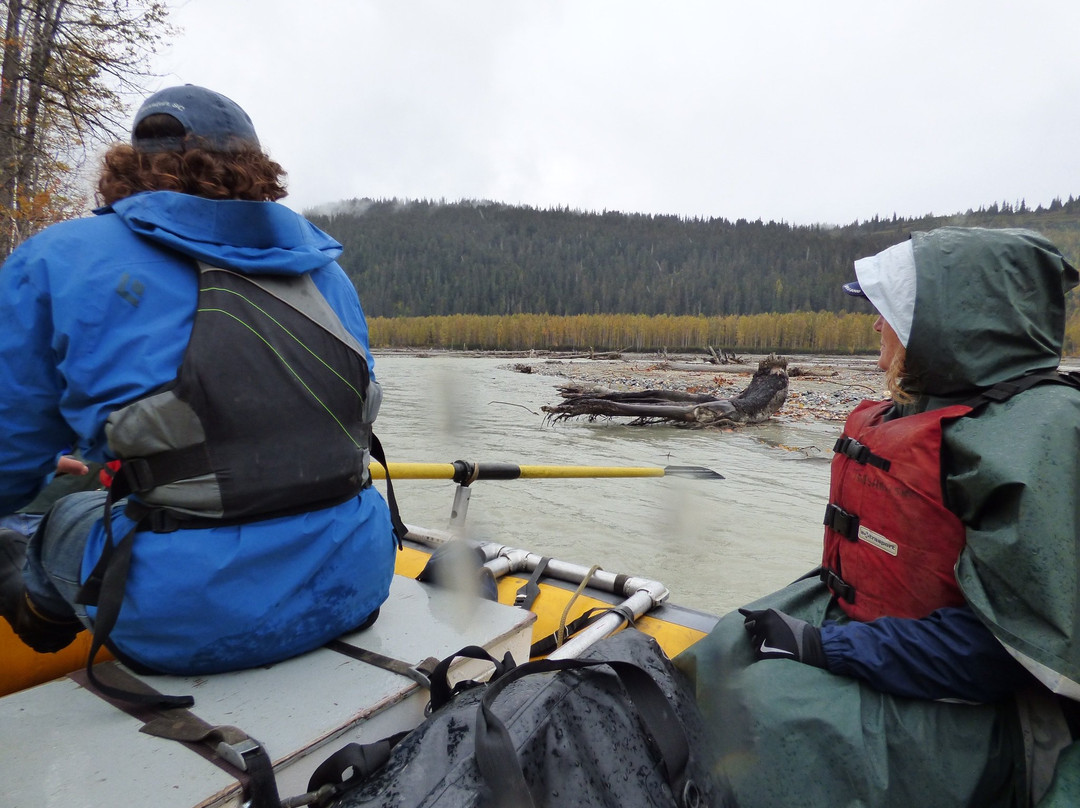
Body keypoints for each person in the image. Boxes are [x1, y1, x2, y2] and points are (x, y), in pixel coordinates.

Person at [0, 85, 398, 681]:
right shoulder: (326, 274)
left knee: (55, 519)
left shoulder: (58, 258)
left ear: (129, 166)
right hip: (359, 579)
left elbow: (9, 458)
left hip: (180, 620)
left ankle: (39, 619)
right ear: (258, 170)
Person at [677, 227, 1080, 807]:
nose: (873, 324)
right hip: (888, 632)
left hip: (988, 700)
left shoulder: (1040, 436)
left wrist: (830, 650)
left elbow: (1002, 654)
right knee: (720, 649)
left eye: (886, 309)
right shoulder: (933, 405)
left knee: (768, 713)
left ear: (946, 327)